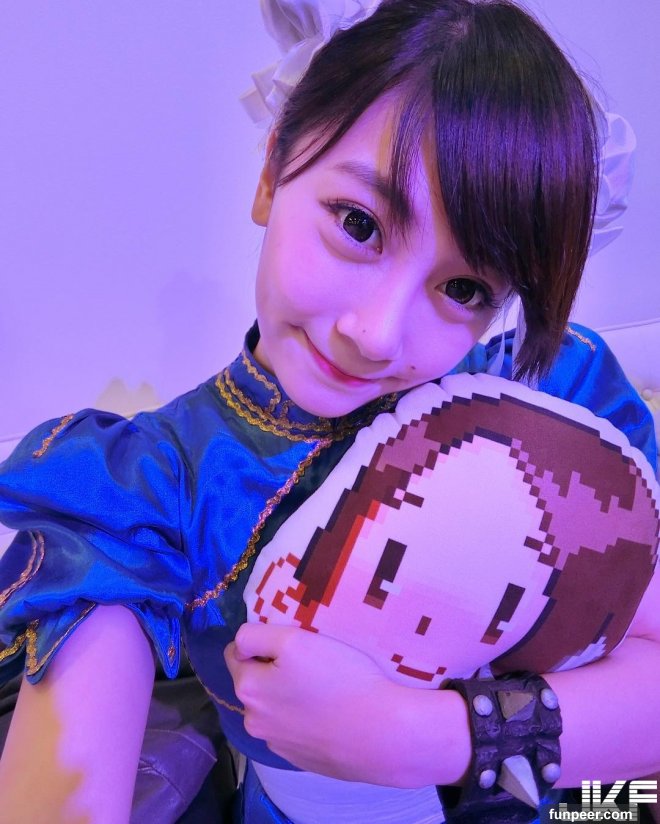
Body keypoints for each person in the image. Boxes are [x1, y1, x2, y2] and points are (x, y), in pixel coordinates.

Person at [0, 0, 657, 822]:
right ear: (273, 169)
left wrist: (419, 735)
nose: (376, 333)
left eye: (463, 288)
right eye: (358, 225)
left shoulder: (555, 395)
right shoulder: (148, 485)